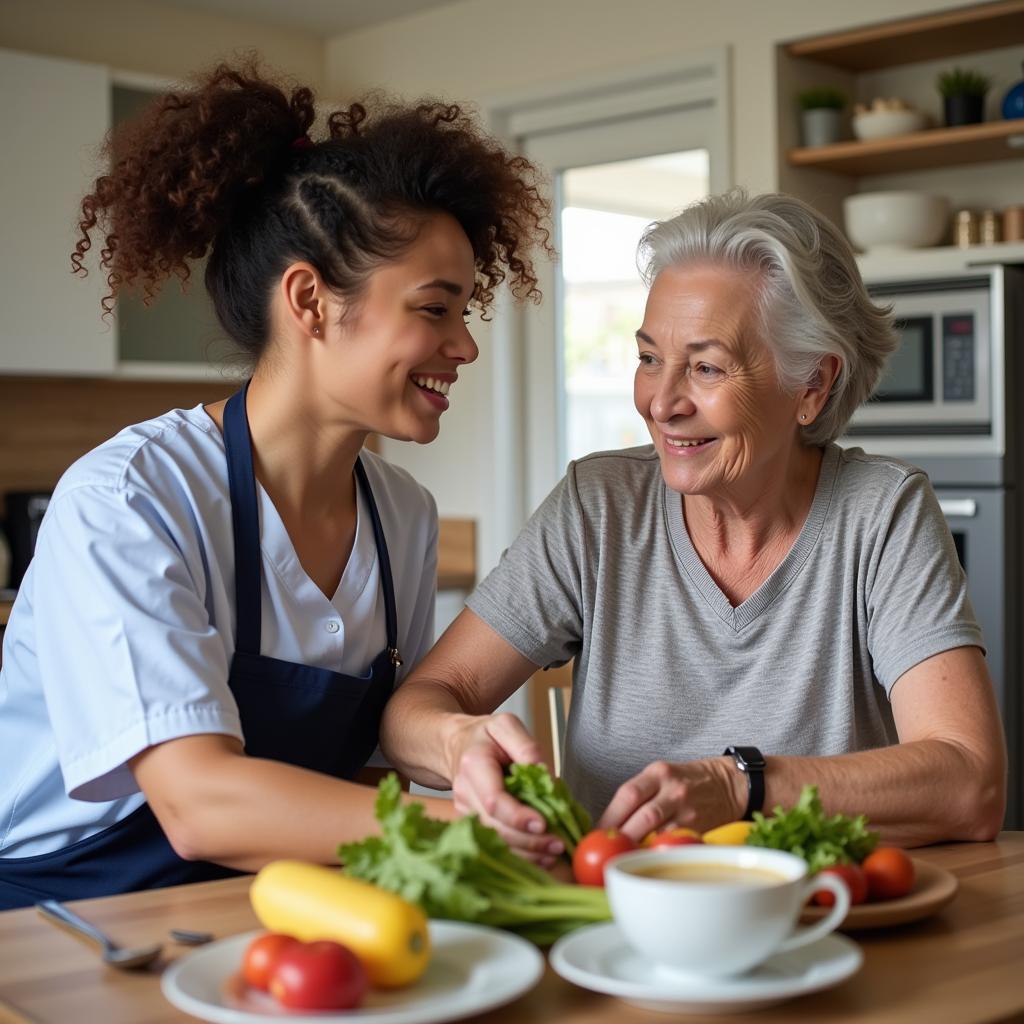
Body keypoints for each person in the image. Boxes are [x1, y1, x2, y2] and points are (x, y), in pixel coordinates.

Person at [0, 60, 548, 909]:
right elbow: (198, 802)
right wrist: (465, 831)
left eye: (467, 312)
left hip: (265, 897)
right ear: (310, 300)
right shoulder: (132, 499)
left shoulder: (401, 514)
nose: (466, 346)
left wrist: (464, 764)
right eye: (436, 309)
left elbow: (359, 774)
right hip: (61, 918)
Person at [380, 190, 1007, 865]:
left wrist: (742, 785)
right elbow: (418, 705)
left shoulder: (880, 514)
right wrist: (457, 743)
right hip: (616, 921)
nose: (662, 402)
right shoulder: (599, 505)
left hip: (819, 919)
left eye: (706, 367)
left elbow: (971, 784)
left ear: (813, 387)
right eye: (650, 358)